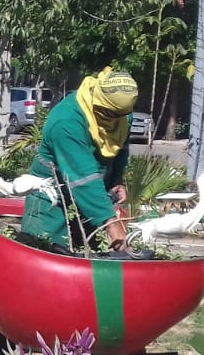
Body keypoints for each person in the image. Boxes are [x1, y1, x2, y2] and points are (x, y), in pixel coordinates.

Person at [19, 67, 140, 254]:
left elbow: (120, 149)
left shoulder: (122, 115)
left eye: (120, 115)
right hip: (52, 198)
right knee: (44, 256)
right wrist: (111, 224)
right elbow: (83, 177)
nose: (116, 120)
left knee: (86, 264)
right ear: (99, 101)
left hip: (93, 197)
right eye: (110, 114)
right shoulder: (66, 121)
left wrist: (116, 180)